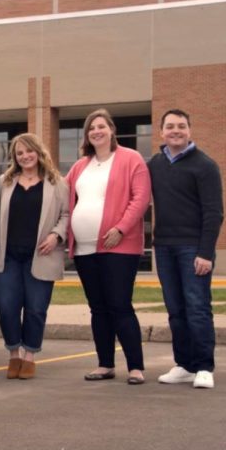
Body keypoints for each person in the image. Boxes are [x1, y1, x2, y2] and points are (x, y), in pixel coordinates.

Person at [65, 108, 151, 385]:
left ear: (111, 130)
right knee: (98, 308)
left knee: (120, 305)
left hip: (119, 247)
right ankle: (105, 364)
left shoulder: (131, 159)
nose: (96, 131)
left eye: (101, 126)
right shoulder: (81, 166)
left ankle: (136, 367)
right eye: (91, 128)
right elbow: (61, 194)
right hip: (84, 250)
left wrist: (121, 229)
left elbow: (141, 198)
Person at [148, 109, 224, 389]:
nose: (175, 130)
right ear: (161, 132)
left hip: (194, 248)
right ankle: (184, 365)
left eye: (181, 126)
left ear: (190, 130)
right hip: (165, 247)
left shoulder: (205, 165)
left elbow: (214, 213)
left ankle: (204, 367)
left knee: (198, 307)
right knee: (175, 309)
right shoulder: (154, 164)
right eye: (170, 126)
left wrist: (205, 253)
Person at [0, 133, 69, 379]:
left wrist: (56, 235)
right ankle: (14, 354)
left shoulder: (56, 182)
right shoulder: (5, 182)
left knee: (36, 308)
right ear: (14, 158)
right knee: (6, 307)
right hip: (9, 257)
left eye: (29, 151)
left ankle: (29, 356)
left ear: (38, 152)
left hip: (41, 255)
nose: (25, 156)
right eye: (19, 153)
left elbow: (66, 215)